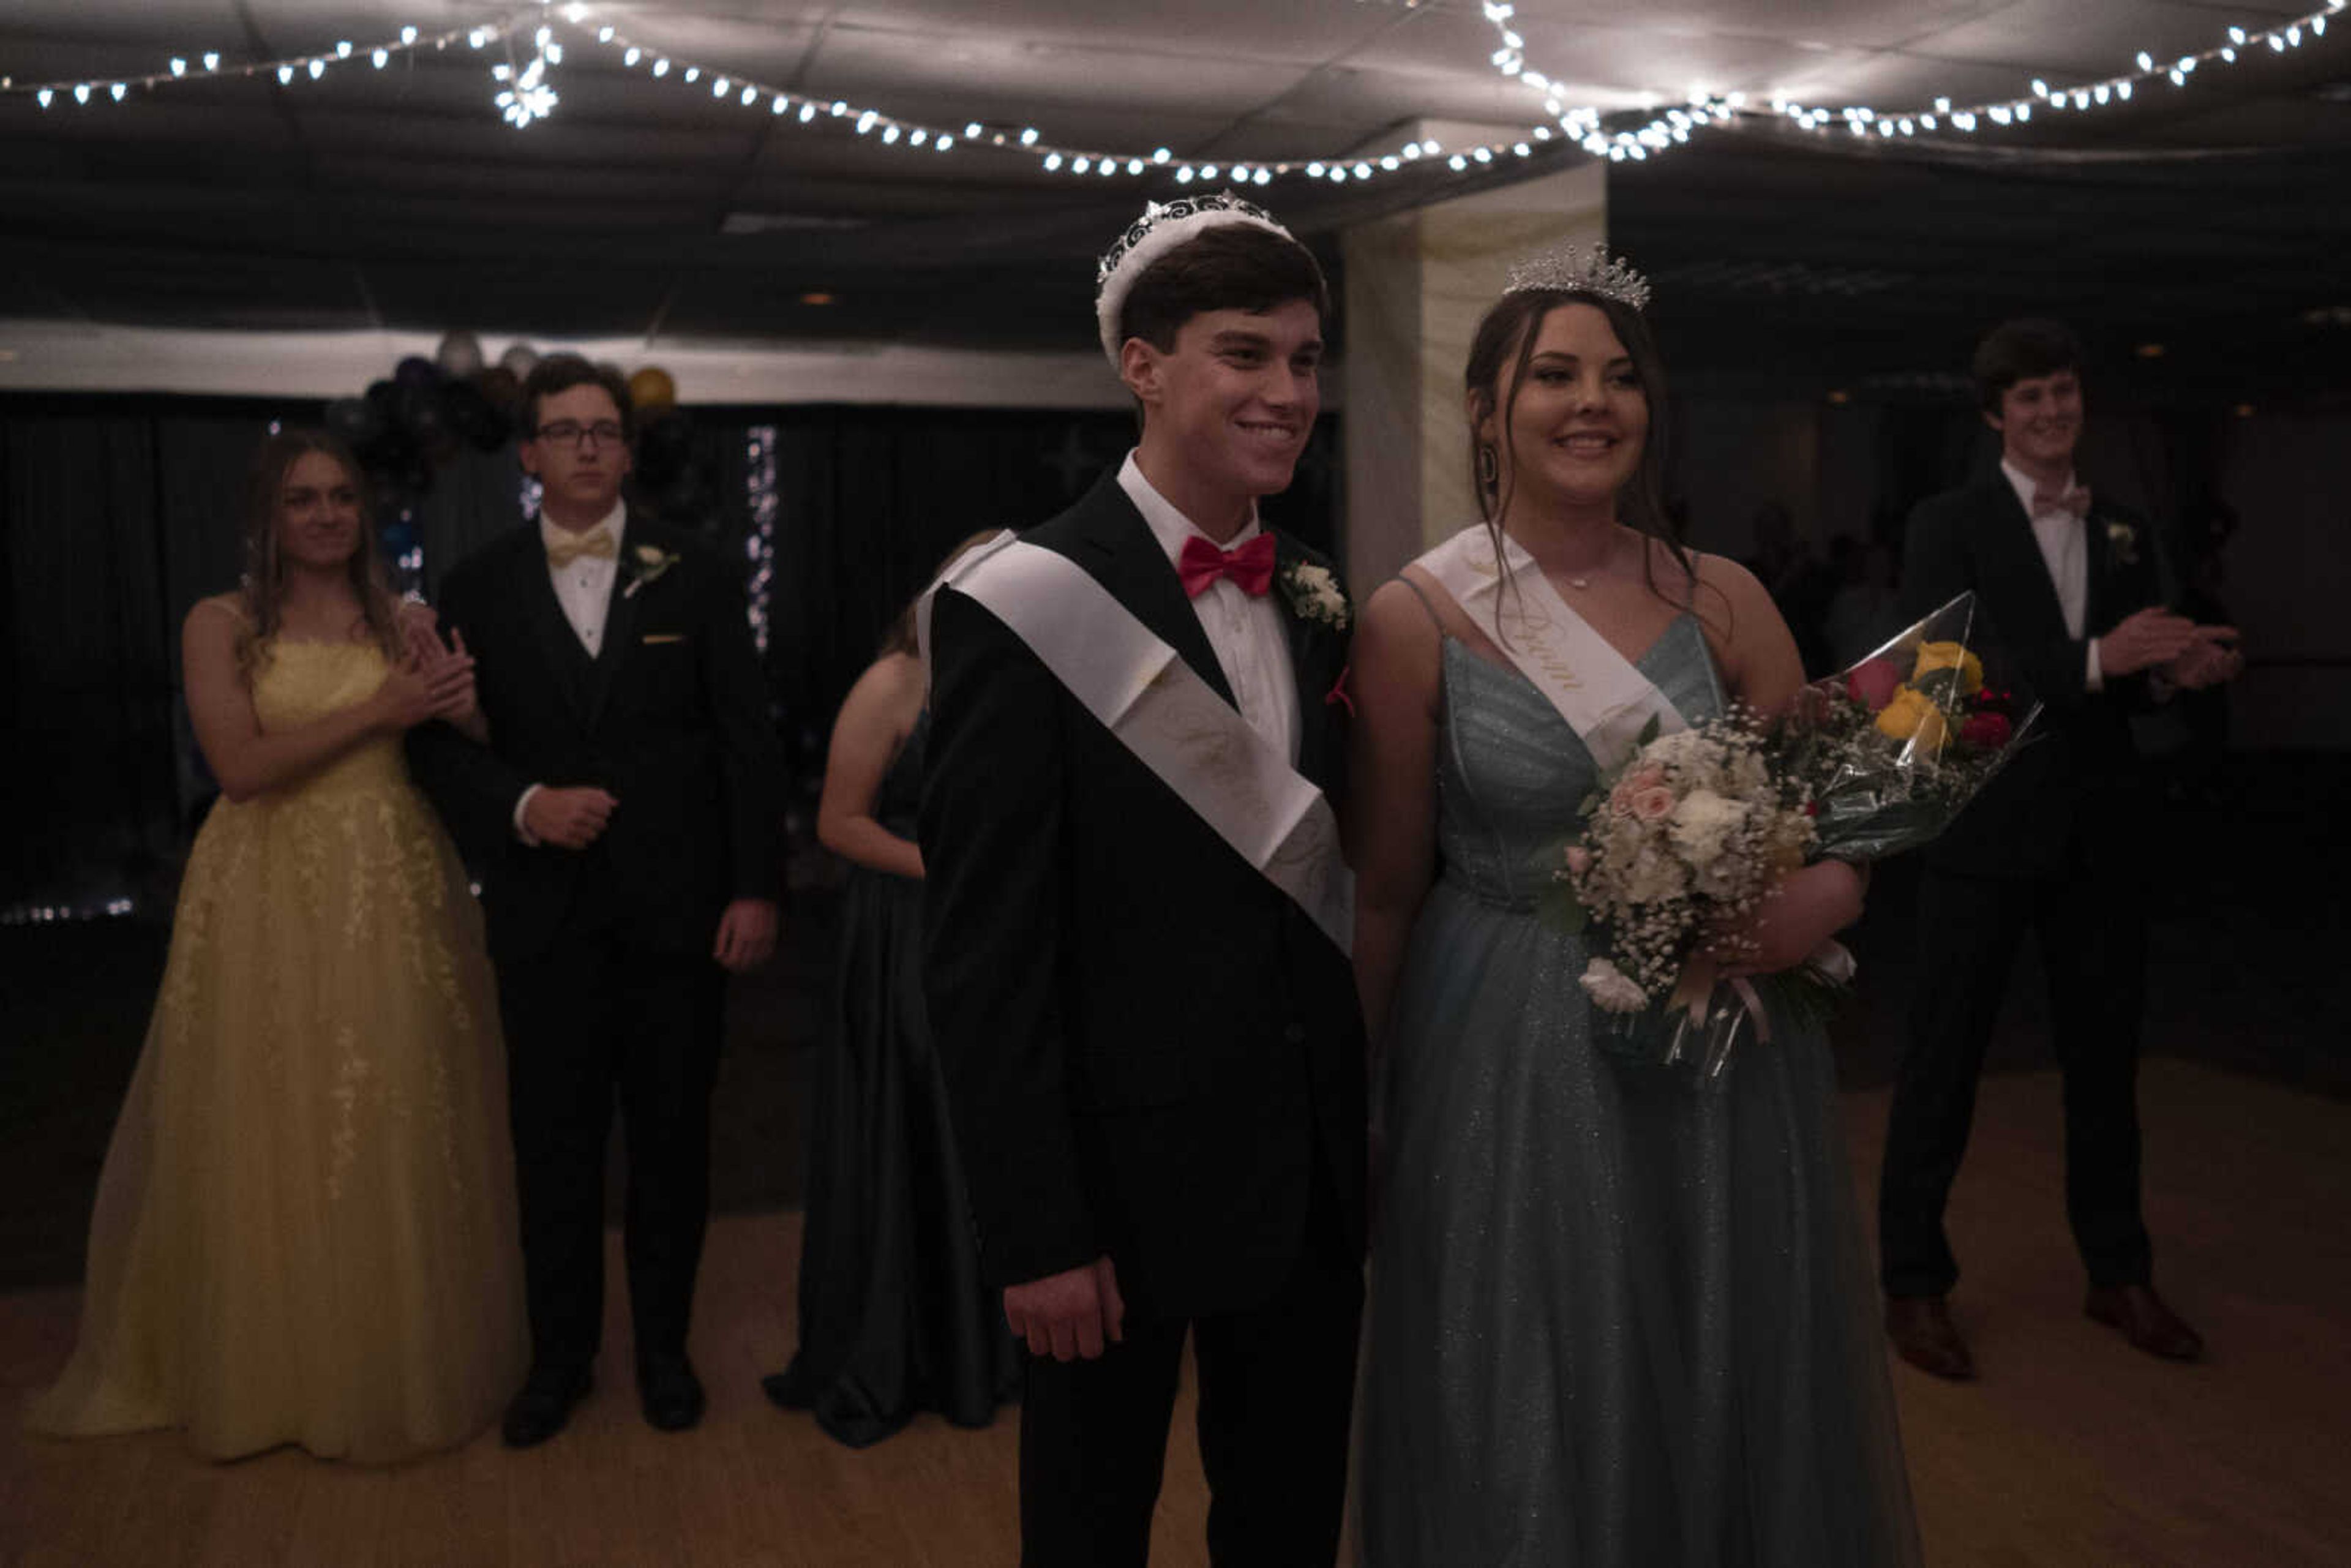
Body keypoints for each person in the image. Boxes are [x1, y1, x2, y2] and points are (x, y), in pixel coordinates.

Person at [1349, 250, 1921, 1564]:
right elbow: (1386, 888)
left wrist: (1825, 894)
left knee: (1723, 1340)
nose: (1590, 402)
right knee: (1531, 1361)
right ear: (1489, 410)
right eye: (1552, 375)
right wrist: (1363, 1091)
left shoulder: (1726, 596)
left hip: (1724, 1039)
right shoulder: (1414, 616)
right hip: (1504, 1044)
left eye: (1619, 378)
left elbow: (1834, 818)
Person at [918, 193, 1364, 1567]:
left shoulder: (1308, 585)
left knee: (1287, 1520)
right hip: (1113, 1191)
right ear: (1145, 366)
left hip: (1304, 1175)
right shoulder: (1022, 600)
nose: (1286, 392)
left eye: (1302, 359)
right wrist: (1036, 1230)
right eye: (1247, 355)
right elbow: (986, 955)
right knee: (1089, 1527)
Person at [26, 429, 525, 1461]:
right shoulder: (219, 625)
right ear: (268, 514)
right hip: (265, 882)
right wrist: (380, 706)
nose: (328, 515)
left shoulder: (407, 619)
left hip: (387, 878)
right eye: (304, 499)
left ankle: (387, 1360)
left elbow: (461, 739)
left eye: (342, 496)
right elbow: (240, 767)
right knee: (269, 1113)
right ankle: (272, 1367)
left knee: (387, 1105)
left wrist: (463, 708)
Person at [405, 356, 786, 1447]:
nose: (584, 446)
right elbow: (432, 743)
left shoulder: (701, 571)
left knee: (674, 1147)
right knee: (554, 1149)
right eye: (562, 430)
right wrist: (523, 802)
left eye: (602, 430)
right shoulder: (474, 584)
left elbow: (746, 744)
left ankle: (665, 1354)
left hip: (680, 916)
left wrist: (757, 884)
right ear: (527, 454)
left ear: (626, 450)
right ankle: (559, 1360)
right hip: (543, 918)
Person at [1878, 318, 2241, 1380]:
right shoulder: (1946, 522)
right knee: (1943, 1060)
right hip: (1983, 825)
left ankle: (2118, 1271)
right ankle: (1913, 1281)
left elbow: (2137, 667)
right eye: (2029, 398)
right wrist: (2094, 660)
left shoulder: (2124, 524)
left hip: (2101, 829)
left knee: (2105, 1063)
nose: (2051, 413)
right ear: (1995, 414)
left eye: (2065, 394)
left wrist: (2178, 671)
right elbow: (1939, 672)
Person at [762, 534, 1019, 1448]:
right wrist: (945, 868)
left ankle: (981, 1348)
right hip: (906, 933)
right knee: (915, 1122)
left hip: (997, 937)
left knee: (986, 1132)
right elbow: (838, 823)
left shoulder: (1020, 682)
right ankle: (898, 1348)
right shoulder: (892, 683)